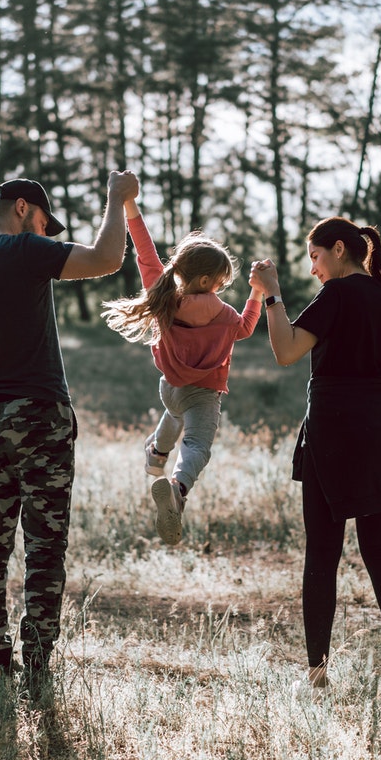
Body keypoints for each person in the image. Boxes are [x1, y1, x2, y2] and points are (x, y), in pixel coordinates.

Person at [0, 172, 139, 694]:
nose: (47, 236)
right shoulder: (24, 250)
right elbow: (107, 258)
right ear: (23, 208)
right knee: (45, 544)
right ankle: (36, 661)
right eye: (45, 225)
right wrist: (117, 198)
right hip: (39, 417)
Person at [248, 217, 381, 695]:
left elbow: (286, 351)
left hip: (332, 436)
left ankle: (318, 677)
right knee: (380, 551)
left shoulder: (336, 295)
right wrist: (374, 424)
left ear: (339, 249)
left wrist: (272, 295)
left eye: (316, 257)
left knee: (323, 553)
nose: (314, 269)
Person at [101, 199, 261, 546]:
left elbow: (145, 254)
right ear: (206, 280)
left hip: (170, 389)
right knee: (196, 445)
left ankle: (157, 453)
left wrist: (130, 206)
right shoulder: (225, 315)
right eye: (219, 282)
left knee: (174, 414)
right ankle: (178, 488)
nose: (220, 288)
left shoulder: (165, 298)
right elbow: (247, 327)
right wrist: (258, 292)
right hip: (202, 395)